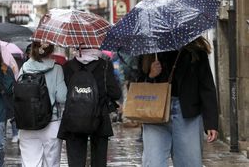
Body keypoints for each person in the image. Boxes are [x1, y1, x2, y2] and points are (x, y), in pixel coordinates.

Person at [138, 36, 218, 167]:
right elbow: (136, 84)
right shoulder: (149, 50)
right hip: (154, 113)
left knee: (188, 162)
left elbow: (206, 87)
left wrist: (211, 123)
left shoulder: (196, 51)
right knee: (153, 162)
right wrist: (151, 75)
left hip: (187, 113)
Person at [58, 48, 122, 167]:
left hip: (73, 118)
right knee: (99, 160)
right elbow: (115, 93)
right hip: (100, 118)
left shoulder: (67, 66)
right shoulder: (105, 65)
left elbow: (63, 94)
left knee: (75, 161)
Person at [18, 41, 67, 167]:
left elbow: (16, 92)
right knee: (51, 164)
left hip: (27, 123)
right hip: (51, 122)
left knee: (30, 163)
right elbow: (62, 97)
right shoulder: (57, 69)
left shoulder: (24, 68)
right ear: (51, 50)